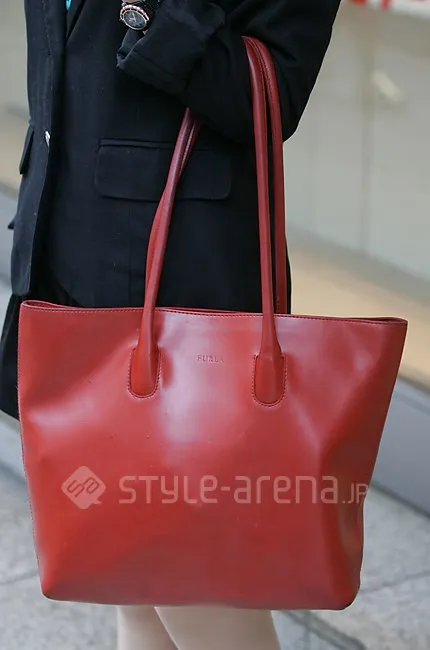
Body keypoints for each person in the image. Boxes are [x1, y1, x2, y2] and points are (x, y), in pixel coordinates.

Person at [0, 0, 341, 648]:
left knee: (193, 586)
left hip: (182, 291)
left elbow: (271, 93)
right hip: (66, 261)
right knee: (126, 583)